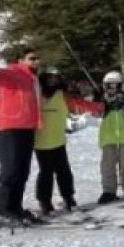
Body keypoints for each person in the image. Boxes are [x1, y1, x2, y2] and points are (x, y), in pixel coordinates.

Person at [0, 47, 42, 224]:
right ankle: (0, 210)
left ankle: (14, 208)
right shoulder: (11, 72)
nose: (36, 61)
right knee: (11, 170)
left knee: (22, 171)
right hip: (9, 129)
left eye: (38, 59)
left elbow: (9, 101)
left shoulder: (31, 79)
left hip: (27, 129)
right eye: (32, 58)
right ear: (20, 60)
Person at [74, 70, 124, 204]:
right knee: (107, 165)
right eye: (109, 85)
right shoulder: (101, 98)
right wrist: (102, 105)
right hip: (108, 137)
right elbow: (96, 113)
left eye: (115, 85)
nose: (112, 88)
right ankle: (109, 191)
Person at [32, 66, 79, 215]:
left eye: (56, 78)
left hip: (58, 141)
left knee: (64, 171)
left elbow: (79, 105)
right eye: (49, 78)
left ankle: (68, 197)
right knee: (46, 173)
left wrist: (100, 104)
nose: (52, 81)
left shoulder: (62, 94)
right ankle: (44, 201)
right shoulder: (35, 95)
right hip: (41, 143)